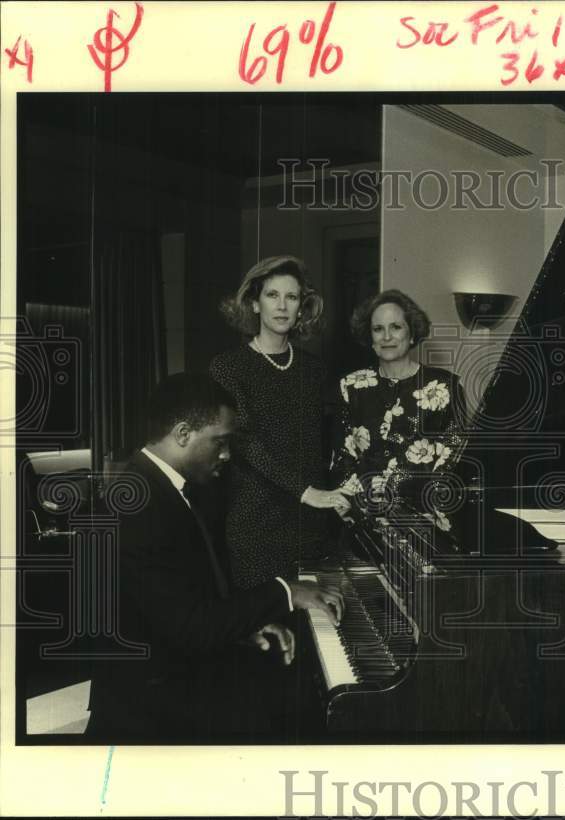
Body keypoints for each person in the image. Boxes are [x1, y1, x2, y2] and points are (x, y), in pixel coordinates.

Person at [86, 373, 345, 742]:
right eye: (220, 442)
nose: (226, 455)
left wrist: (241, 629)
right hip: (150, 706)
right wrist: (287, 590)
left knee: (293, 692)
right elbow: (190, 627)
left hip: (168, 674)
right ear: (182, 434)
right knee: (300, 716)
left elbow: (177, 605)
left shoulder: (154, 486)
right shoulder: (139, 506)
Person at [211, 256, 352, 590]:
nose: (282, 306)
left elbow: (326, 443)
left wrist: (339, 497)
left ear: (302, 307)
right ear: (254, 303)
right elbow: (244, 442)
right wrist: (308, 493)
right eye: (272, 295)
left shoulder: (313, 369)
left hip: (311, 523)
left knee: (315, 631)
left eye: (292, 297)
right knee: (267, 629)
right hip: (256, 523)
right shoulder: (228, 367)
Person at [331, 290, 467, 541]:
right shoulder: (350, 386)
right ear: (369, 336)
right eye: (378, 329)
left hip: (427, 522)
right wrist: (354, 507)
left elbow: (455, 459)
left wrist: (431, 508)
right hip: (364, 524)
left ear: (412, 332)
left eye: (396, 327)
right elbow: (343, 455)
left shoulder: (445, 386)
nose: (387, 336)